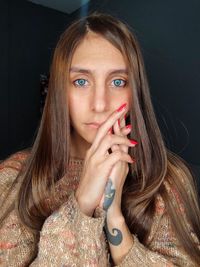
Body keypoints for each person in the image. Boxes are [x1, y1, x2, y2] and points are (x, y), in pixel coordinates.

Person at [0, 12, 199, 267]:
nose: (100, 104)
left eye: (117, 81)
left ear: (135, 90)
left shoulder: (167, 180)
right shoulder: (11, 178)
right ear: (61, 90)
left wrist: (114, 218)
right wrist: (81, 205)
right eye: (81, 81)